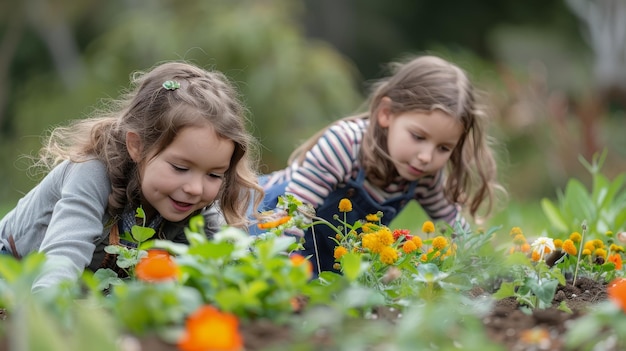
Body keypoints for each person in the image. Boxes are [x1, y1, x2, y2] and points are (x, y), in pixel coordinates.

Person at [0, 61, 263, 291]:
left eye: (214, 175)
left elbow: (231, 264)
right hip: (14, 272)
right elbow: (61, 261)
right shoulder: (91, 174)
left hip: (89, 292)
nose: (195, 188)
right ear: (137, 146)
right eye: (180, 168)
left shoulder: (197, 203)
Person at [252, 54, 505, 275]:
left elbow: (453, 225)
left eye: (443, 148)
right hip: (266, 218)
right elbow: (293, 213)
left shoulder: (425, 175)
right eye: (418, 137)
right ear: (386, 113)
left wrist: (479, 271)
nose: (427, 157)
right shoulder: (344, 144)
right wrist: (281, 270)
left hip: (323, 249)